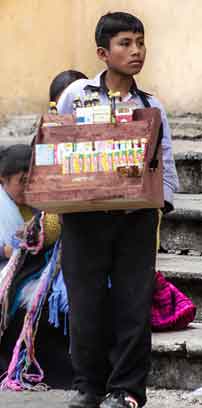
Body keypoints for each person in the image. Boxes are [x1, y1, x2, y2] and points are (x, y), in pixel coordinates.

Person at [57, 12, 179, 408]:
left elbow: (166, 160)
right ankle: (88, 388)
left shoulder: (151, 105)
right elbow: (54, 150)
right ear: (102, 52)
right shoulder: (75, 97)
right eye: (126, 43)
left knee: (133, 305)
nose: (137, 51)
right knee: (85, 306)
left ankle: (127, 391)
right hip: (84, 220)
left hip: (135, 220)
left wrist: (162, 199)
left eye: (140, 42)